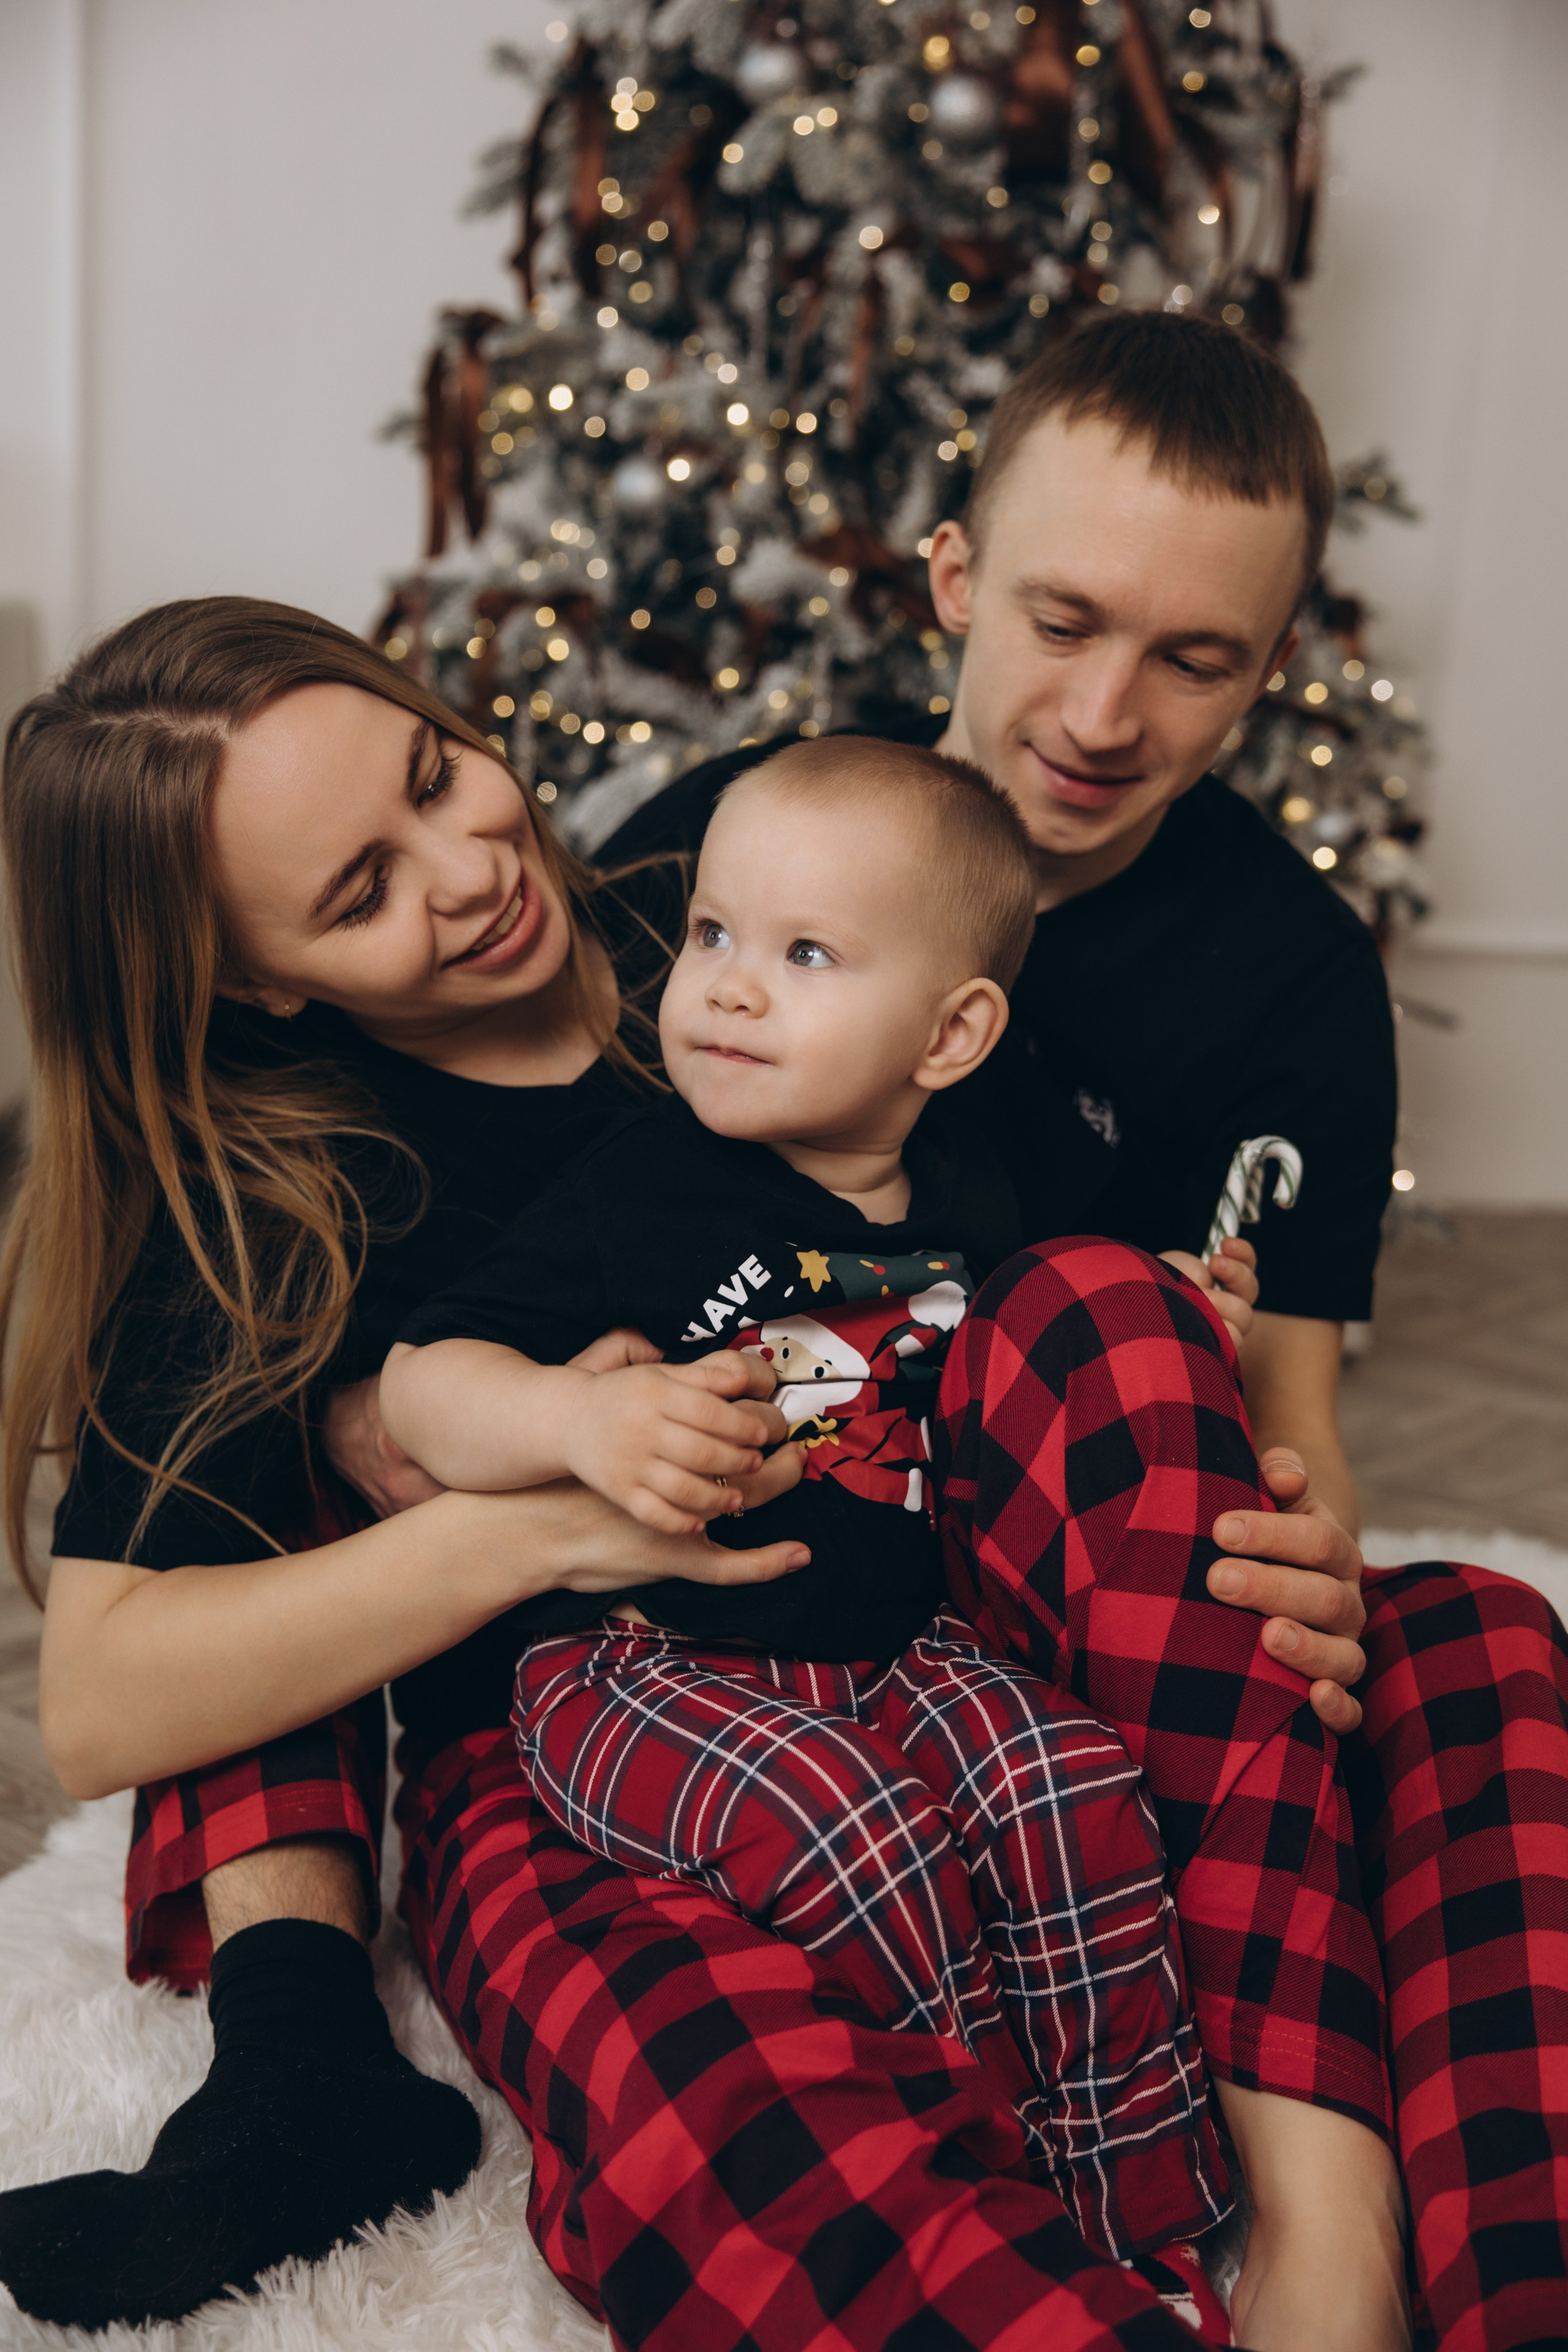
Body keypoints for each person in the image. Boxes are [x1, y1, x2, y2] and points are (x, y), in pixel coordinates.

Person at [0, 596, 1553, 2349]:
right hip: (606, 1746)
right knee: (711, 2092)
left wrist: (1250, 1518)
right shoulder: (283, 1200)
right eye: (361, 891)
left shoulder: (727, 894)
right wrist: (541, 1518)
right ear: (254, 976)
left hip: (977, 1624)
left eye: (439, 773)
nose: (470, 867)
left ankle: (1347, 2249)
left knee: (1474, 1647)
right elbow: (112, 1700)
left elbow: (1028, 1283)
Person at [380, 736, 1239, 2286]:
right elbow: (417, 1385)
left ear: (949, 1031)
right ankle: (978, 2195)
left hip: (900, 1641)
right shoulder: (640, 1183)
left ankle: (1143, 2212)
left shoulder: (983, 1192)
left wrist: (1185, 1304)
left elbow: (1054, 1336)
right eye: (711, 933)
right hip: (643, 1660)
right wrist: (573, 1415)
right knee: (866, 1843)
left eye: (804, 954)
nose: (723, 986)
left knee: (1064, 1782)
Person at [602, 311, 1394, 1537]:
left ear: (1269, 668)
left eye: (1191, 663)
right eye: (1062, 624)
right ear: (955, 579)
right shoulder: (720, 843)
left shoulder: (1301, 982)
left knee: (1484, 1628)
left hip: (1050, 1536)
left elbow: (1290, 1422)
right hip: (710, 1513)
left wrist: (1310, 1553)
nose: (1099, 719)